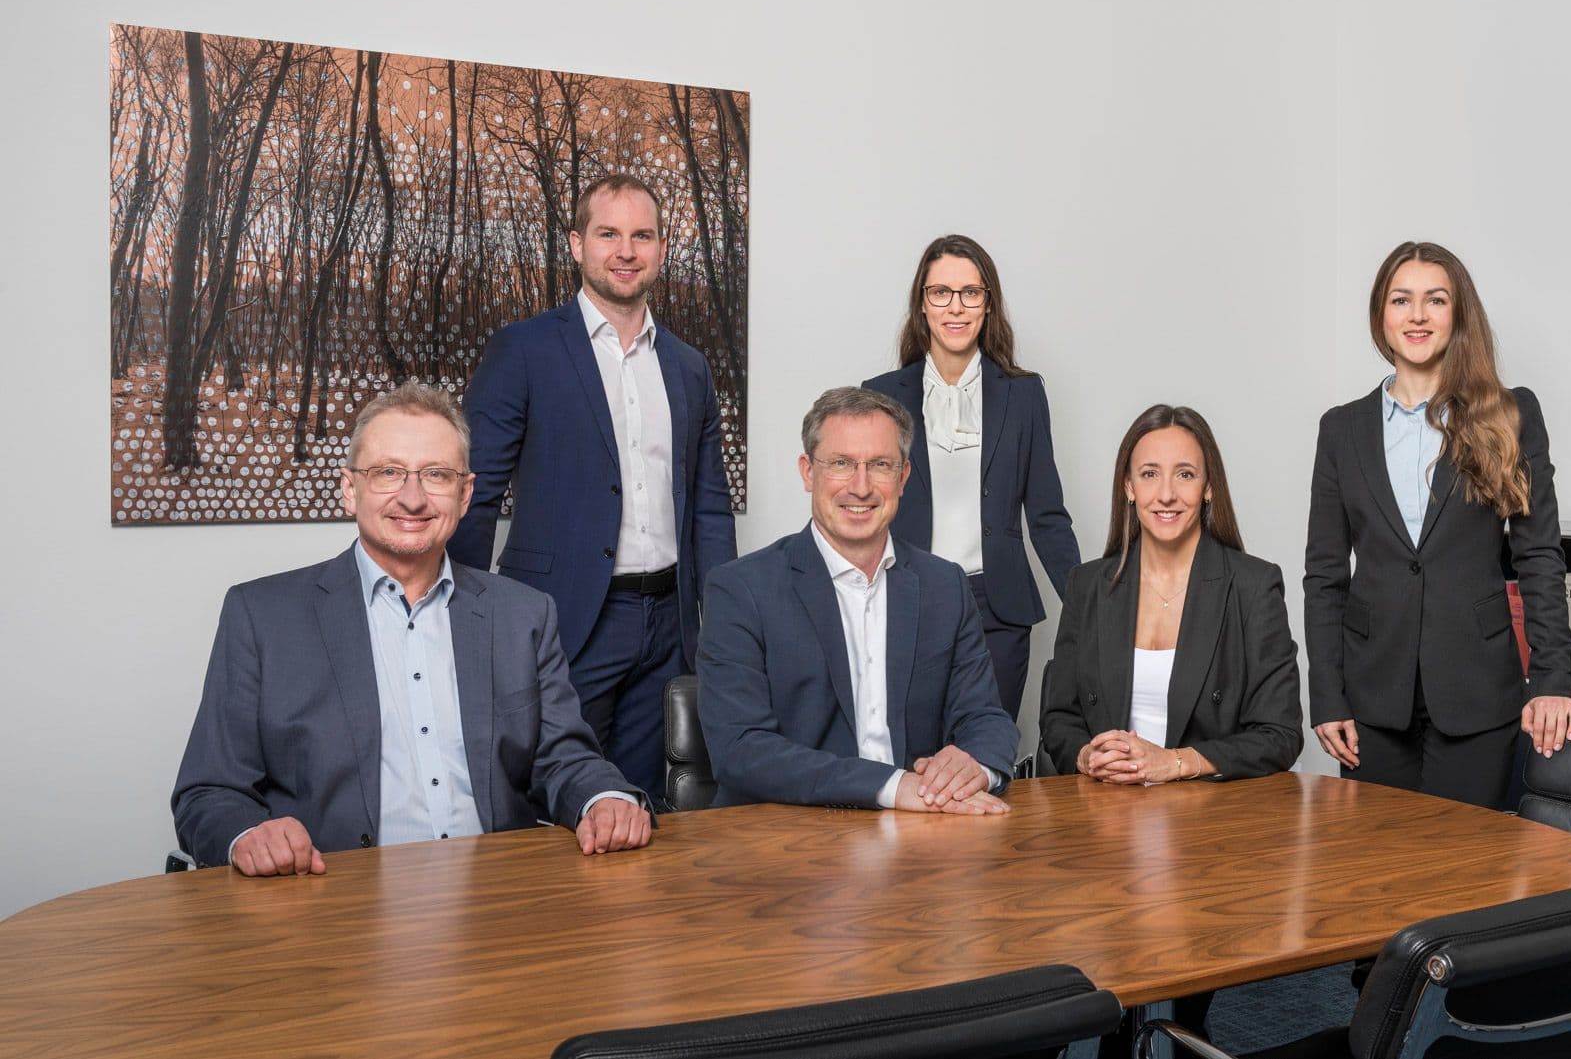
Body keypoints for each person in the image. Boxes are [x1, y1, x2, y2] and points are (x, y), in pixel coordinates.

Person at [173, 382, 651, 876]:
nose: (413, 498)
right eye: (388, 473)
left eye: (436, 475)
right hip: (329, 901)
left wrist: (603, 798)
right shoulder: (262, 616)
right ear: (349, 488)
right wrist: (249, 833)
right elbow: (208, 792)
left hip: (499, 903)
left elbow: (564, 758)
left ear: (465, 494)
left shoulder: (523, 615)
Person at [449, 173, 736, 801]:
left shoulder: (688, 366)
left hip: (668, 624)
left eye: (642, 235)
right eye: (609, 233)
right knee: (546, 801)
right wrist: (461, 620)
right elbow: (473, 493)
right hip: (563, 617)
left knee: (638, 807)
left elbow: (709, 509)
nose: (626, 251)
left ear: (662, 248)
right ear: (578, 244)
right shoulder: (523, 350)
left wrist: (724, 624)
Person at [1039, 405, 1302, 1046]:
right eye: (1149, 474)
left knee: (1171, 1001)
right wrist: (1086, 756)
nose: (1166, 493)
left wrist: (1172, 761)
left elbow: (1280, 733)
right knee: (1078, 983)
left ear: (1209, 487)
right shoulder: (1089, 584)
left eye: (1184, 474)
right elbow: (1056, 716)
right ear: (1126, 487)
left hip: (1205, 835)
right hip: (1100, 825)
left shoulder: (1251, 585)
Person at [1304, 241, 1571, 811]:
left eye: (1436, 299)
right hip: (1372, 696)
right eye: (1402, 300)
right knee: (1376, 878)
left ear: (1458, 314)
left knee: (1466, 876)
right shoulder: (1341, 430)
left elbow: (1539, 557)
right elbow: (1324, 575)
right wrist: (1327, 695)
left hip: (1477, 692)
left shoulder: (1509, 414)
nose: (1418, 315)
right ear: (1382, 314)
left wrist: (1552, 679)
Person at [697, 386, 1020, 811]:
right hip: (785, 840)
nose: (861, 486)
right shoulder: (741, 589)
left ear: (903, 477)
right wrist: (890, 787)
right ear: (808, 472)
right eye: (841, 464)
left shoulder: (945, 586)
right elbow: (740, 750)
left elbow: (986, 718)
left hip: (921, 833)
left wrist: (975, 765)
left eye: (881, 465)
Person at [862, 235, 1079, 720]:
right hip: (907, 598)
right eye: (941, 292)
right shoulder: (880, 397)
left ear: (988, 304)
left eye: (970, 293)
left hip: (998, 607)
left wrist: (1089, 605)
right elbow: (864, 509)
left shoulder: (1023, 395)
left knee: (985, 758)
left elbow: (1047, 515)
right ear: (922, 304)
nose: (955, 307)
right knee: (914, 763)